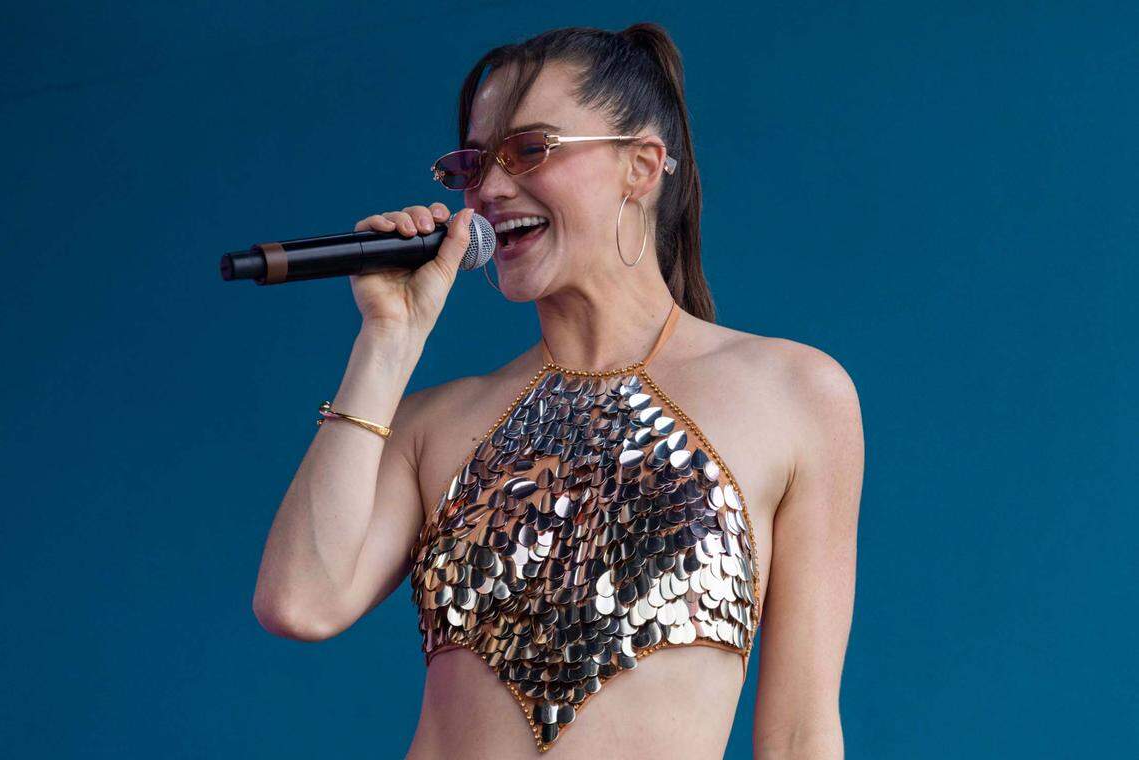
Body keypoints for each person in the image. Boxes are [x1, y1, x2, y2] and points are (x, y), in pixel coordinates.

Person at [253, 22, 863, 759]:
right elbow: (299, 602)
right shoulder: (434, 424)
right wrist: (389, 339)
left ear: (641, 167)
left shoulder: (794, 395)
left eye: (529, 151)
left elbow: (800, 735)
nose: (490, 189)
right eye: (476, 163)